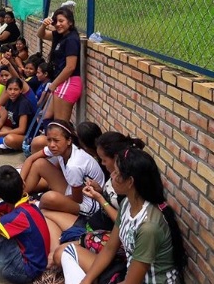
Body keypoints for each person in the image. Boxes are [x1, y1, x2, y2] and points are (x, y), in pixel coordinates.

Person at [58, 148, 187, 284]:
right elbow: (109, 248)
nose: (112, 176)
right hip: (128, 274)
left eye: (116, 173)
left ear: (130, 182)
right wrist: (86, 280)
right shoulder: (127, 204)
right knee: (67, 252)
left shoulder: (148, 227)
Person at [46, 131, 145, 253]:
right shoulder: (115, 174)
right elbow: (111, 198)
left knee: (47, 216)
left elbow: (122, 220)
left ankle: (57, 254)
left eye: (103, 160)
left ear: (115, 157)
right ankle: (57, 252)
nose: (102, 163)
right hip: (90, 223)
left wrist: (100, 199)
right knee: (45, 213)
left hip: (96, 232)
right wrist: (99, 190)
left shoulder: (126, 186)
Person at [20, 120, 105, 217]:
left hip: (88, 203)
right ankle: (18, 196)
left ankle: (36, 205)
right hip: (73, 190)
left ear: (69, 140)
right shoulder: (61, 147)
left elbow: (77, 199)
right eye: (49, 140)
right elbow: (31, 159)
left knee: (48, 198)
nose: (52, 144)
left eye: (56, 140)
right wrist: (21, 180)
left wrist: (43, 202)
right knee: (39, 163)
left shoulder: (74, 165)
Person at [36, 6, 82, 122]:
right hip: (61, 82)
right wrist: (43, 25)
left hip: (68, 82)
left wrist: (53, 84)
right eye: (56, 21)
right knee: (46, 117)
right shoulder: (59, 35)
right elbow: (41, 35)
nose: (58, 24)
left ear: (70, 22)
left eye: (61, 21)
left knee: (60, 124)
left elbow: (70, 67)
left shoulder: (71, 39)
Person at [0, 77, 36, 155]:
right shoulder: (9, 100)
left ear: (21, 90)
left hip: (26, 136)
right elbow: (2, 120)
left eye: (16, 89)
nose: (12, 92)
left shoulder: (23, 103)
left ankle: (3, 144)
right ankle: (3, 145)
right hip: (15, 131)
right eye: (10, 89)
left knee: (9, 139)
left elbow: (21, 130)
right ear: (6, 90)